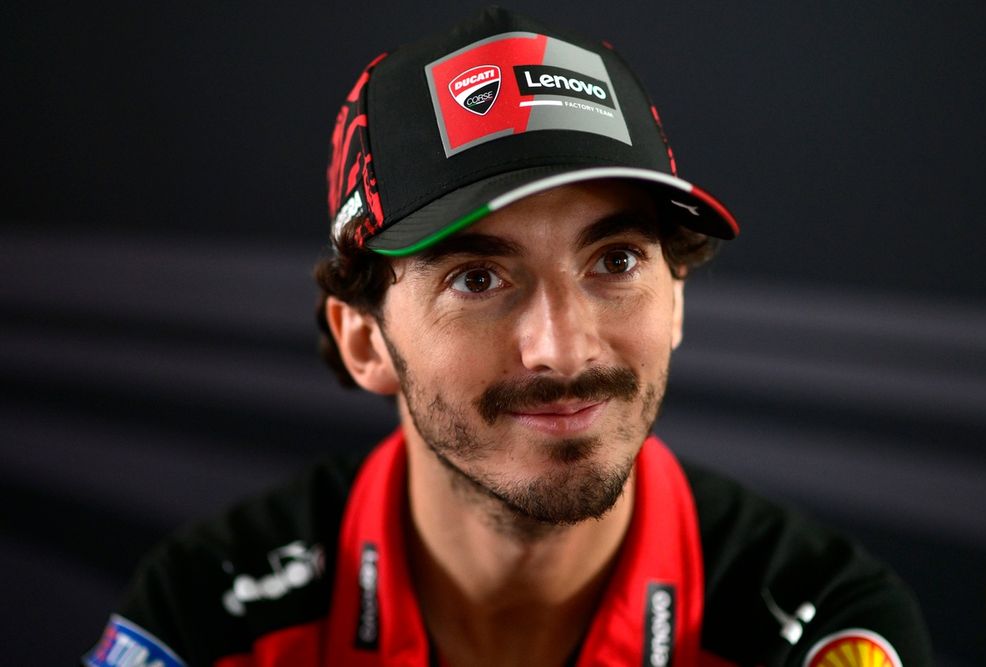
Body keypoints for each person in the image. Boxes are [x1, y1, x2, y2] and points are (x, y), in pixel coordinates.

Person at [84, 7, 932, 667]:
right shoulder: (208, 620)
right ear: (364, 341)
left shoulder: (821, 624)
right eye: (477, 278)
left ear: (676, 300)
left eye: (616, 260)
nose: (563, 348)